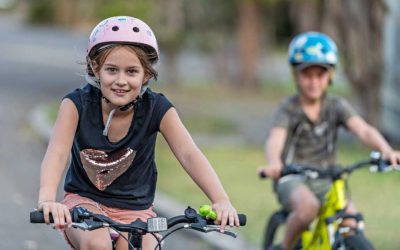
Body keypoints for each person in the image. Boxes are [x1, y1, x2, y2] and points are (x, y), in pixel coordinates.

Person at [36, 16, 240, 250]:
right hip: (85, 204)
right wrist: (47, 199)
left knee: (148, 247)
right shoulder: (76, 105)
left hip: (136, 211)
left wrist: (221, 200)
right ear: (95, 68)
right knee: (97, 243)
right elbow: (58, 153)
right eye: (112, 70)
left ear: (146, 74)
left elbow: (189, 154)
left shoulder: (157, 109)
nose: (121, 81)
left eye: (131, 71)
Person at [257, 31, 400, 250]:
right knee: (307, 209)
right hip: (294, 178)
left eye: (320, 75)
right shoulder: (290, 108)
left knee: (351, 220)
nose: (313, 82)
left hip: (328, 179)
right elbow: (275, 138)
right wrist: (275, 163)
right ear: (295, 75)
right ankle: (286, 247)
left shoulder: (335, 106)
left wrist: (386, 150)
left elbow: (362, 129)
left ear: (330, 76)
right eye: (307, 74)